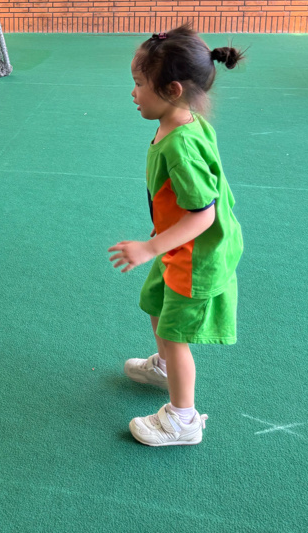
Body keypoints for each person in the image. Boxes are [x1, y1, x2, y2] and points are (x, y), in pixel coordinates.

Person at [108, 27, 244, 447]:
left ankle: (183, 420)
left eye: (139, 84)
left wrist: (149, 248)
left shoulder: (181, 146)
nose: (133, 93)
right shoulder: (181, 121)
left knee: (175, 334)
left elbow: (204, 214)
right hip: (177, 243)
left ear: (172, 90)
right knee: (156, 302)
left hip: (196, 254)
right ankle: (164, 368)